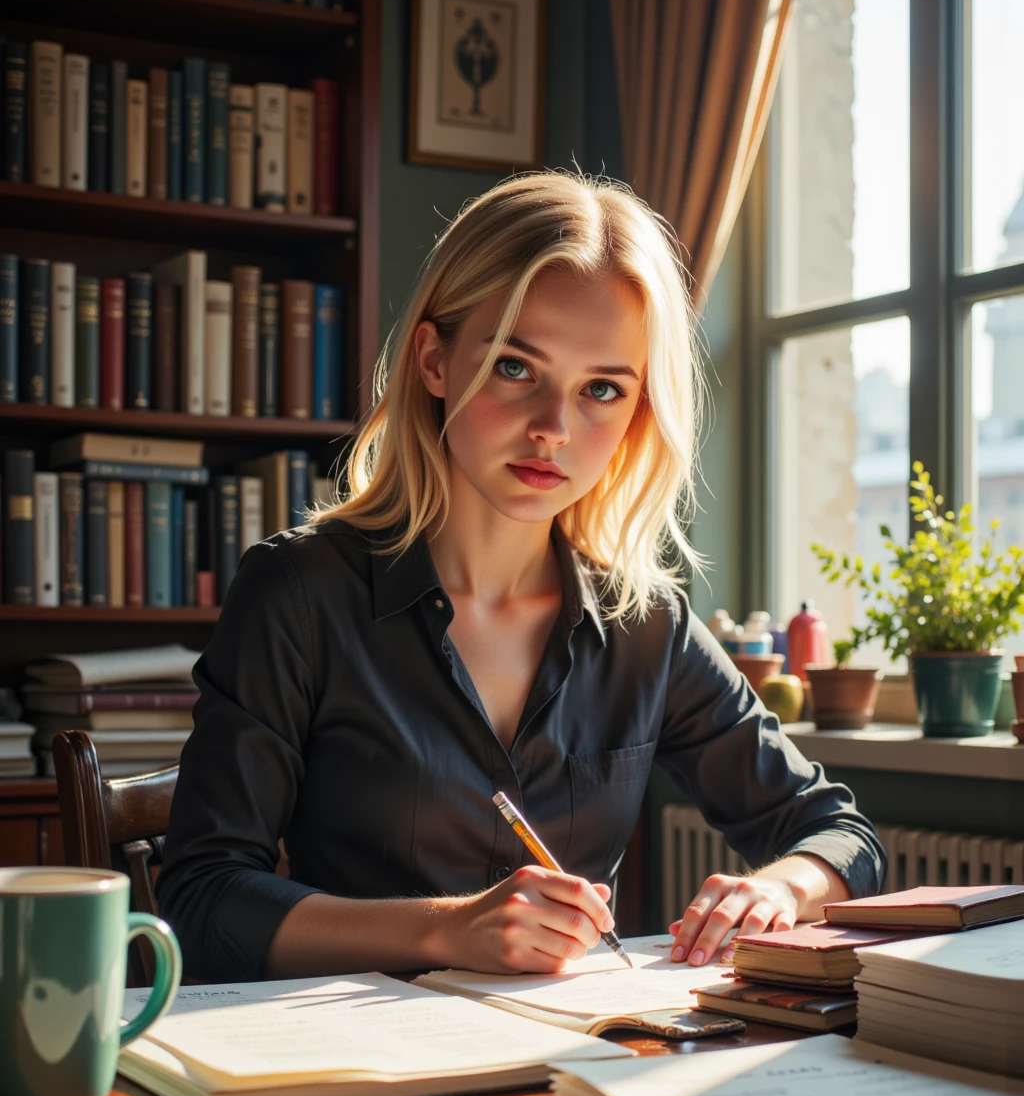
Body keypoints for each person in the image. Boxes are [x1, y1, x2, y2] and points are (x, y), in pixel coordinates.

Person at [157, 171, 885, 983]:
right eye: (514, 367)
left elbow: (839, 834)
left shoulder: (646, 625)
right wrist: (444, 931)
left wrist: (776, 890)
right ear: (434, 360)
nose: (554, 428)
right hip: (343, 1073)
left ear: (639, 412)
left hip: (566, 1060)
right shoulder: (296, 593)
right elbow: (200, 899)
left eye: (602, 389)